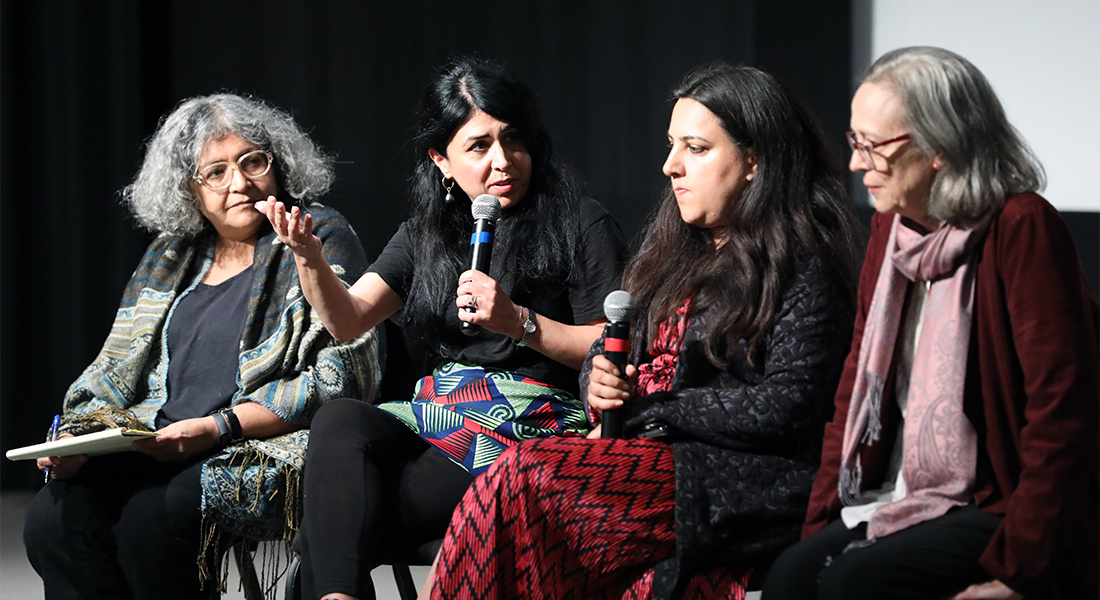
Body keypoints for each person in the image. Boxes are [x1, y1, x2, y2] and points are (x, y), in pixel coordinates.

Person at [424, 62, 863, 600]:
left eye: (695, 149)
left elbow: (787, 405)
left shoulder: (804, 263)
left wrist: (654, 412)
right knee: (522, 485)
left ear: (753, 160)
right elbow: (612, 349)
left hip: (743, 482)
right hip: (654, 460)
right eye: (671, 145)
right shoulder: (676, 253)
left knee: (527, 479)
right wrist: (599, 382)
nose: (670, 166)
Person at [259, 56, 626, 600]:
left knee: (334, 528)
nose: (503, 161)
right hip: (437, 411)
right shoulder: (425, 233)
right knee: (338, 420)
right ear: (441, 160)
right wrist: (309, 259)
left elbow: (607, 350)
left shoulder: (579, 222)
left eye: (514, 140)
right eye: (479, 147)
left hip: (530, 423)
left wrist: (520, 323)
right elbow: (347, 320)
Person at [762, 46, 1100, 600]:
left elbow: (1064, 410)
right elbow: (853, 394)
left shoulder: (1021, 227)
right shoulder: (888, 232)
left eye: (872, 146)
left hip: (999, 499)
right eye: (855, 141)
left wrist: (1019, 571)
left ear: (939, 147)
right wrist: (818, 531)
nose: (855, 163)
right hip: (907, 489)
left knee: (855, 583)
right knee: (790, 579)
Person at [22, 93, 381, 600]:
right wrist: (80, 438)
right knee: (54, 518)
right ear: (188, 189)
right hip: (155, 441)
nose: (239, 183)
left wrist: (218, 427)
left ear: (277, 163)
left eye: (253, 162)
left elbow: (345, 377)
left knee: (151, 522)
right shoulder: (169, 256)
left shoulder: (315, 233)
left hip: (251, 448)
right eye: (215, 172)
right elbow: (112, 368)